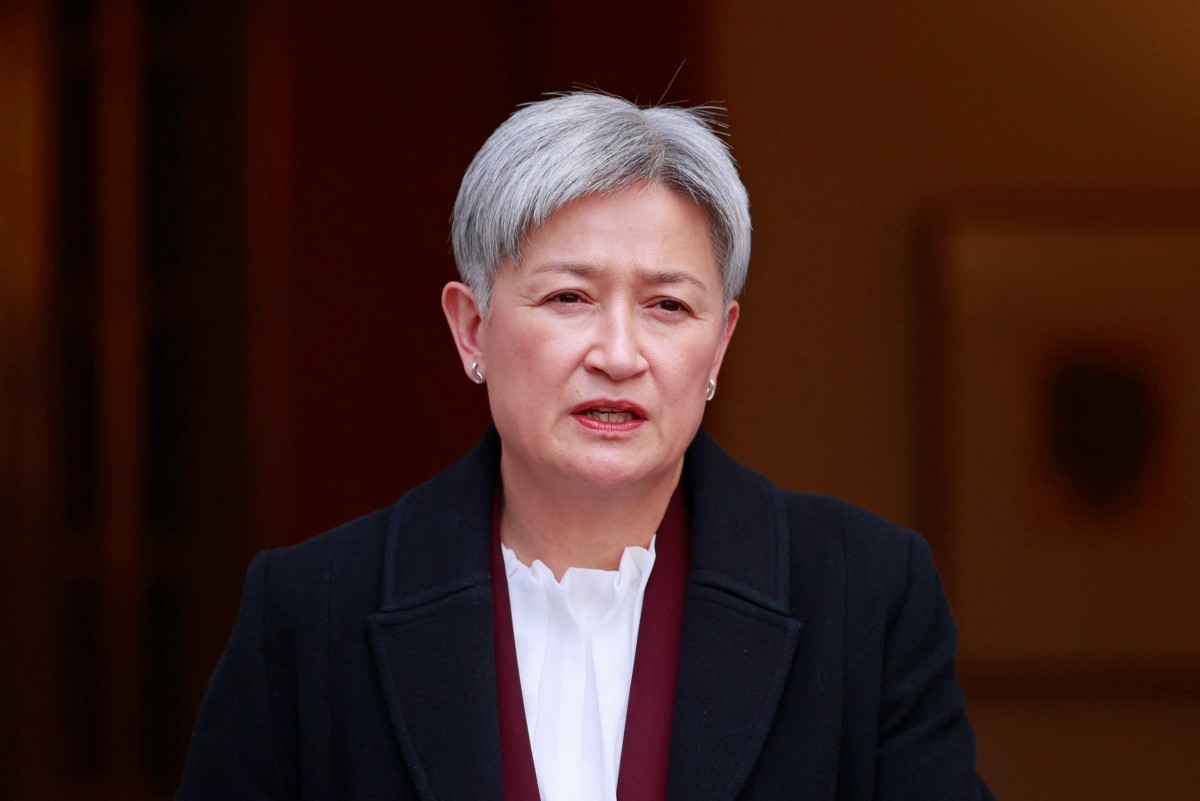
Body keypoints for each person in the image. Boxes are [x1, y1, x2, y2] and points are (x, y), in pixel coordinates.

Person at [176, 91, 994, 801]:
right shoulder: (312, 610)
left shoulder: (865, 596)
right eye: (569, 297)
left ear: (719, 344)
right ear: (472, 329)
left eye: (668, 306)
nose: (618, 353)